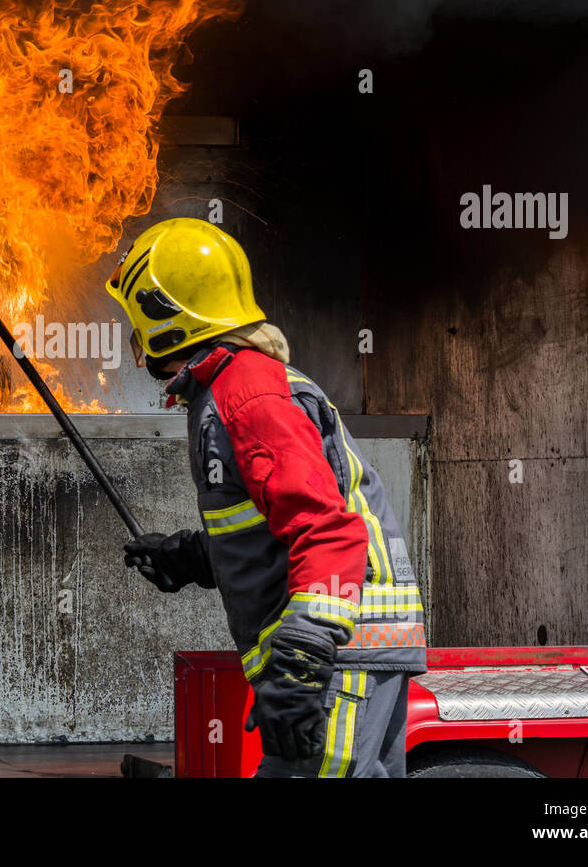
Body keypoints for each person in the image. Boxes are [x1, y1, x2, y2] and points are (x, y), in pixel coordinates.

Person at [106, 217, 427, 778]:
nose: (134, 338)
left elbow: (327, 531)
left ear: (164, 315)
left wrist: (303, 660)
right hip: (342, 646)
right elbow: (279, 520)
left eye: (136, 320)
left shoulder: (245, 394)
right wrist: (194, 558)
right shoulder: (234, 389)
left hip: (335, 650)